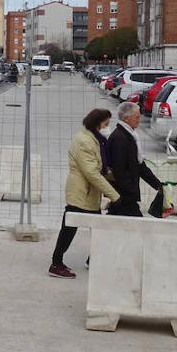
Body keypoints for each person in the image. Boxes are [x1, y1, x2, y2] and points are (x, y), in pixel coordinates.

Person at [49, 107, 119, 279]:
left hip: (89, 194)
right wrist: (114, 194)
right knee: (70, 228)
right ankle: (56, 263)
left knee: (95, 228)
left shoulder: (96, 139)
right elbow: (91, 172)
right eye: (106, 124)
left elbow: (100, 168)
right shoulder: (84, 141)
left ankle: (91, 259)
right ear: (96, 123)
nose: (108, 127)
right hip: (81, 193)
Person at [105, 101, 170, 218]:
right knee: (137, 227)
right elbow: (119, 171)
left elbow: (140, 166)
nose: (139, 120)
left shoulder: (130, 136)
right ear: (126, 118)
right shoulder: (120, 138)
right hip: (123, 195)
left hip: (125, 195)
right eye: (137, 117)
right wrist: (130, 191)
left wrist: (158, 185)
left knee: (122, 227)